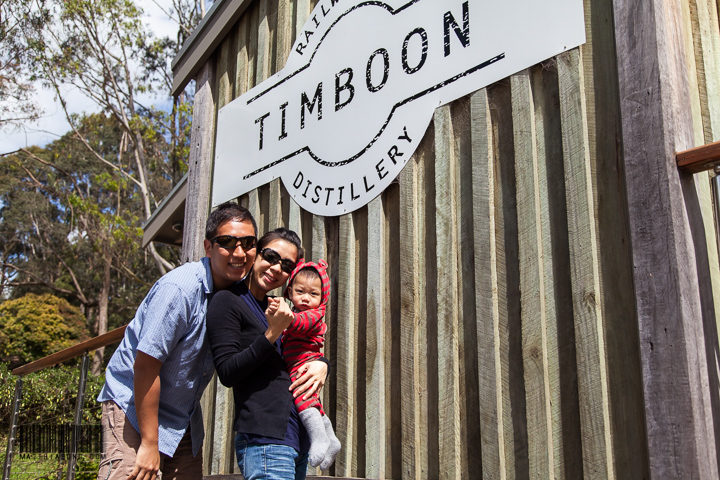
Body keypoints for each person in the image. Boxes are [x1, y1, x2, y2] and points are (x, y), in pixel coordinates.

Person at [96, 204, 327, 480]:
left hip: (182, 415)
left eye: (248, 244)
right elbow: (145, 365)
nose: (239, 253)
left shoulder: (255, 300)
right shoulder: (180, 289)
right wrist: (148, 442)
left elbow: (295, 347)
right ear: (208, 247)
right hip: (135, 409)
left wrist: (322, 363)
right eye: (227, 242)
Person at [206, 228, 329, 480]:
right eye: (270, 256)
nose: (276, 268)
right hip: (266, 439)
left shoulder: (279, 307)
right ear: (255, 255)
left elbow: (300, 349)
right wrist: (272, 333)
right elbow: (227, 372)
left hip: (297, 438)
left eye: (286, 265)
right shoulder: (229, 301)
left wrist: (323, 363)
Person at [275, 259, 340, 469]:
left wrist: (285, 318)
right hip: (298, 363)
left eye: (313, 294)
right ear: (290, 291)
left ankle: (318, 438)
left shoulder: (314, 315)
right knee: (314, 403)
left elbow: (301, 324)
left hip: (303, 363)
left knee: (303, 399)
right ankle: (331, 440)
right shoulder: (295, 310)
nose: (305, 298)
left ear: (322, 298)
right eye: (300, 291)